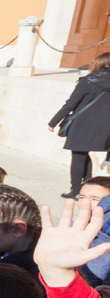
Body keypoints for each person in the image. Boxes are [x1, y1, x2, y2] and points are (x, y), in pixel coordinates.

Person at [48, 51, 110, 198]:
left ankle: (76, 191)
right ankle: (86, 187)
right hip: (104, 127)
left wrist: (54, 121)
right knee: (83, 154)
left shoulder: (88, 81)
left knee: (78, 157)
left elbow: (71, 104)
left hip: (83, 126)